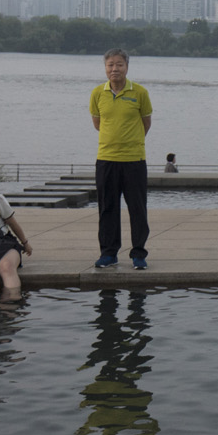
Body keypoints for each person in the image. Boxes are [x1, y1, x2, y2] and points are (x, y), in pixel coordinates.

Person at [90, 48, 153, 269]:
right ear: (105, 68)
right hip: (106, 159)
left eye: (119, 64)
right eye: (110, 65)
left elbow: (146, 123)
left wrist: (131, 141)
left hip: (134, 160)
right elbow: (98, 124)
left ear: (127, 67)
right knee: (107, 208)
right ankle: (108, 253)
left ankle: (138, 254)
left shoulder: (140, 93)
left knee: (137, 208)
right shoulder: (98, 93)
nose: (114, 69)